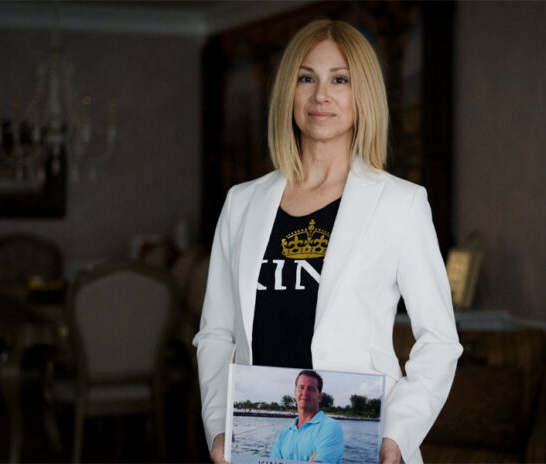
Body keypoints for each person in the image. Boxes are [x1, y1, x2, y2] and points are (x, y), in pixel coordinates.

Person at [192, 19, 462, 464]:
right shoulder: (241, 203)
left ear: (363, 94)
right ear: (289, 91)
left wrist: (396, 436)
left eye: (340, 79)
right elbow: (217, 333)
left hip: (363, 447)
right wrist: (220, 429)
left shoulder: (401, 204)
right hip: (265, 448)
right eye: (306, 78)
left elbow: (439, 341)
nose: (321, 95)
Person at [270, 370, 344, 463]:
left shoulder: (330, 427)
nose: (305, 392)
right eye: (301, 387)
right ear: (295, 393)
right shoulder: (283, 435)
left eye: (311, 389)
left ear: (320, 397)